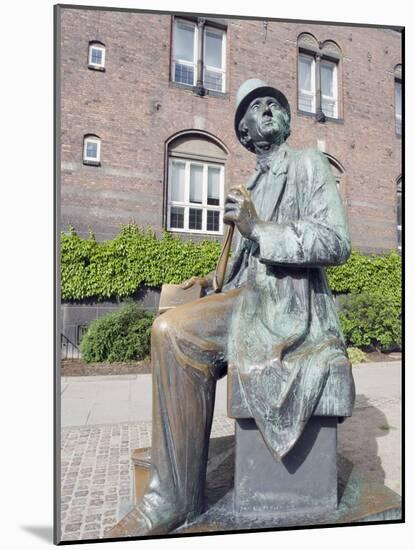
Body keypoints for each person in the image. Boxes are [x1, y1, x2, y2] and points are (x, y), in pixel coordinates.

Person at [109, 79, 355, 537]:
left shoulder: (307, 164)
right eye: (255, 107)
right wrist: (208, 281)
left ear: (284, 122)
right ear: (243, 131)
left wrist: (258, 228)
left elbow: (336, 241)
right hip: (245, 301)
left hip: (286, 307)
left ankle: (171, 501)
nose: (267, 110)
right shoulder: (250, 183)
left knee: (172, 333)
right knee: (170, 326)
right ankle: (178, 493)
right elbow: (238, 269)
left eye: (274, 105)